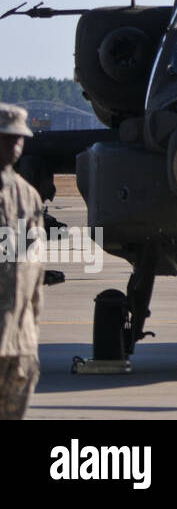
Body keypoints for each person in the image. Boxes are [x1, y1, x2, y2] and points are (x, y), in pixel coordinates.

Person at [0, 103, 42, 419]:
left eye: (20, 139)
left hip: (20, 338)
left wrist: (33, 325)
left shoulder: (29, 197)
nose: (15, 145)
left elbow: (34, 269)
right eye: (6, 138)